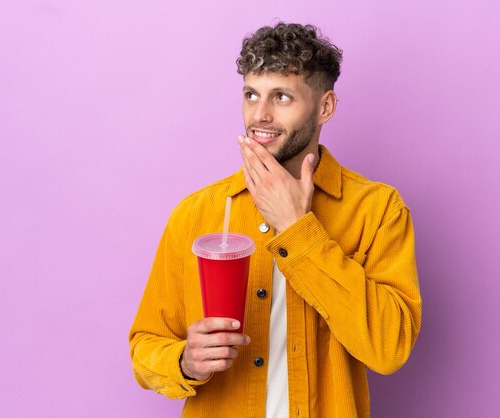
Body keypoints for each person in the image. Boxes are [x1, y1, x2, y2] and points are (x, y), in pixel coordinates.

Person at [129, 22, 422, 418]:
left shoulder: (378, 210)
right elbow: (145, 346)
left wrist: (298, 230)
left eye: (282, 97)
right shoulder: (196, 213)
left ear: (325, 106)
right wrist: (184, 361)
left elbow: (389, 348)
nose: (260, 115)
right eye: (252, 95)